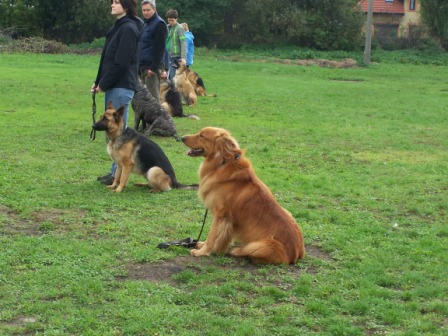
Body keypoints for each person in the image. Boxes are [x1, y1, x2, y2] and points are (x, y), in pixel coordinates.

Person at [91, 0, 143, 185]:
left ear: (126, 6)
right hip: (114, 83)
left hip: (121, 84)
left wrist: (104, 84)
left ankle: (116, 174)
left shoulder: (128, 28)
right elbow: (107, 59)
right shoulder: (119, 27)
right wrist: (99, 82)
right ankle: (115, 171)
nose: (112, 5)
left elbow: (121, 62)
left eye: (116, 2)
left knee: (118, 130)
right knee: (113, 130)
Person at [138, 0, 168, 102]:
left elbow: (159, 48)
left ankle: (159, 118)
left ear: (154, 9)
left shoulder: (159, 24)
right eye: (143, 10)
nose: (145, 12)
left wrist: (153, 67)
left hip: (151, 67)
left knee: (153, 99)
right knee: (143, 98)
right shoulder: (145, 24)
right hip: (142, 65)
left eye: (148, 10)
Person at [165, 9, 186, 80]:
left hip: (176, 57)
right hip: (167, 55)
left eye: (172, 20)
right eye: (169, 20)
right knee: (166, 77)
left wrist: (183, 58)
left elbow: (183, 43)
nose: (170, 22)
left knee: (172, 77)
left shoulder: (179, 28)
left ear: (176, 19)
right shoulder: (167, 27)